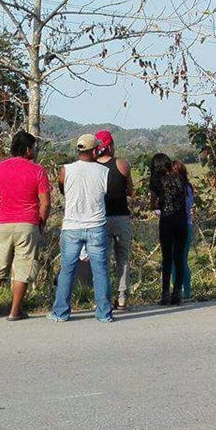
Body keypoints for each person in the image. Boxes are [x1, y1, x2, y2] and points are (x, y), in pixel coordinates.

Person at [0, 131, 50, 321]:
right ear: (28, 149)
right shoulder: (38, 170)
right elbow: (45, 202)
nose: (35, 151)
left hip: (4, 223)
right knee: (23, 268)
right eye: (34, 148)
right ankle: (14, 312)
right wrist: (41, 223)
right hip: (27, 224)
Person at [49, 134, 114, 323]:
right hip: (96, 225)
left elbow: (63, 190)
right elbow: (105, 193)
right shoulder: (103, 171)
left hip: (72, 226)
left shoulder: (65, 170)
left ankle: (61, 312)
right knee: (100, 270)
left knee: (67, 270)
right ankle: (104, 314)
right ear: (94, 151)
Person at [94, 130, 135, 310]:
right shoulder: (121, 164)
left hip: (100, 218)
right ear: (110, 146)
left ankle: (103, 298)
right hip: (121, 217)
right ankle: (122, 297)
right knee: (123, 258)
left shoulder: (92, 167)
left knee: (102, 260)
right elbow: (130, 191)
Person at [149, 153, 189, 306]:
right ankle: (177, 293)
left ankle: (165, 294)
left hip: (167, 220)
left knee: (167, 258)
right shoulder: (180, 176)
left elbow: (153, 203)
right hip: (182, 220)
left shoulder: (156, 179)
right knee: (179, 257)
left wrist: (158, 205)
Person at [171, 159, 195, 300]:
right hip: (187, 225)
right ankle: (185, 292)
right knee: (182, 260)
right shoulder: (188, 188)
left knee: (175, 261)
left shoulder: (174, 189)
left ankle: (178, 291)